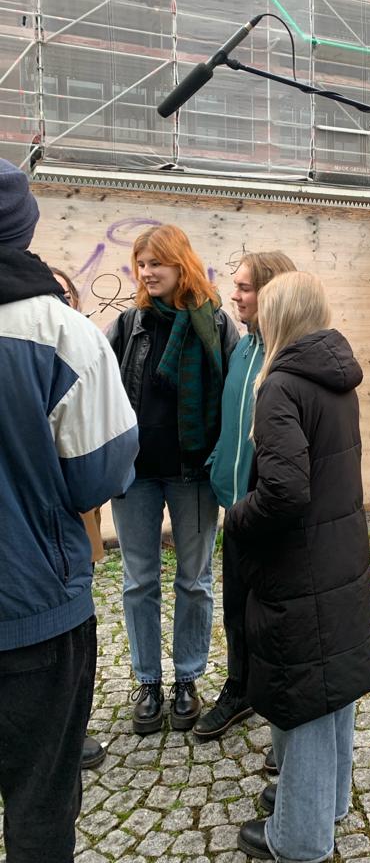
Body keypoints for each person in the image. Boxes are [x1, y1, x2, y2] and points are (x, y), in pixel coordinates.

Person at [0, 159, 139, 863]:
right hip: (31, 615)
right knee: (38, 804)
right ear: (25, 228)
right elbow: (99, 475)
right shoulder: (60, 334)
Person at [225, 271, 370, 862]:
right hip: (338, 553)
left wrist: (239, 518)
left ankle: (300, 837)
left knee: (306, 694)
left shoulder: (283, 386)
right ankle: (324, 802)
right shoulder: (336, 378)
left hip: (301, 563)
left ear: (278, 314)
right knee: (331, 684)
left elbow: (285, 491)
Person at [107, 224, 238, 734]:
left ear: (180, 263)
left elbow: (233, 394)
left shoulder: (217, 324)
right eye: (141, 264)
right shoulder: (128, 324)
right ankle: (147, 682)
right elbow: (106, 393)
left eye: (155, 263)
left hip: (194, 472)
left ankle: (187, 679)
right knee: (139, 581)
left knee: (194, 580)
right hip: (136, 473)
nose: (147, 272)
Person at [194, 251, 297, 743]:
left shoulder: (290, 353)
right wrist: (218, 461)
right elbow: (229, 418)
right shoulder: (241, 348)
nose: (234, 295)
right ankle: (240, 690)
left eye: (245, 287)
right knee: (236, 608)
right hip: (235, 511)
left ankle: (287, 716)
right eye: (235, 285)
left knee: (274, 619)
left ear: (273, 291)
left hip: (271, 515)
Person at [49, 266, 109, 771]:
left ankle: (72, 724)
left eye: (65, 292)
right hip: (43, 506)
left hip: (73, 510)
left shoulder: (82, 347)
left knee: (76, 606)